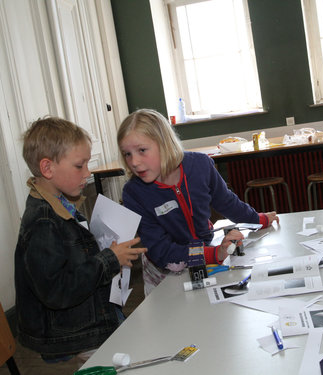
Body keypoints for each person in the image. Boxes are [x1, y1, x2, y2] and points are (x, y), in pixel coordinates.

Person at [15, 117, 146, 363]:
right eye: (79, 166)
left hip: (92, 314)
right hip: (77, 331)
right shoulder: (43, 221)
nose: (87, 173)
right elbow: (56, 291)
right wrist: (108, 260)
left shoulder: (58, 201)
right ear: (47, 168)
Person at [117, 109, 279, 295]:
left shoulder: (200, 165)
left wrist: (258, 219)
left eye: (142, 150)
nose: (134, 162)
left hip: (207, 256)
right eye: (127, 154)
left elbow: (227, 202)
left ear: (164, 144)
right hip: (164, 272)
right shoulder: (134, 193)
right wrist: (213, 254)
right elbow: (161, 251)